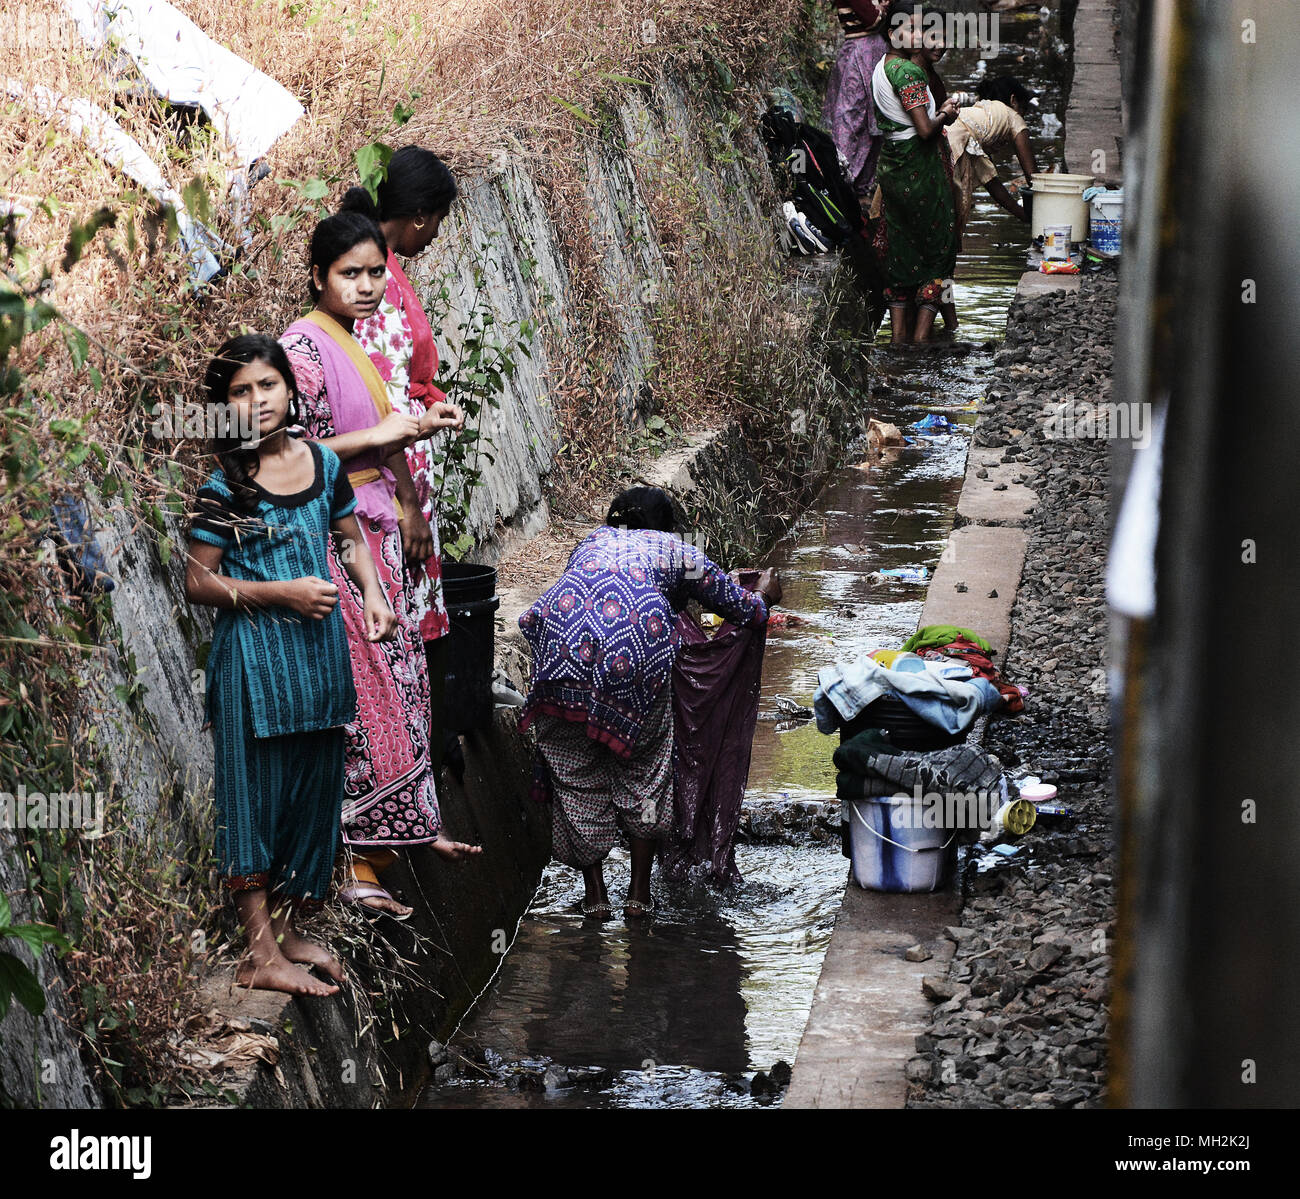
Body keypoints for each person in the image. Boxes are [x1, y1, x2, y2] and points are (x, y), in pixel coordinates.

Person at [281, 206, 481, 920]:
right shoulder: (301, 350)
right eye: (350, 274)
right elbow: (285, 454)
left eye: (374, 273)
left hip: (373, 538)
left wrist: (410, 436)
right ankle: (354, 861)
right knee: (367, 702)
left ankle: (387, 849)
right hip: (337, 540)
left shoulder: (352, 339)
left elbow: (372, 432)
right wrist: (383, 435)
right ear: (318, 277)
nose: (367, 286)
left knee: (398, 691)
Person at [186, 334, 399, 995]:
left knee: (311, 794)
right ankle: (258, 952)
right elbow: (198, 582)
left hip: (318, 661)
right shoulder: (224, 488)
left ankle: (287, 929)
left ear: (289, 388)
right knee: (253, 799)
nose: (258, 401)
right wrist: (279, 593)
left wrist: (373, 589)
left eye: (267, 385)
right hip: (254, 664)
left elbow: (350, 535)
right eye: (241, 392)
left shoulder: (322, 465)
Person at [518, 488, 781, 920]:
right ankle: (639, 898)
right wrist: (765, 594)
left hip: (560, 656)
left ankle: (596, 897)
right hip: (632, 662)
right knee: (645, 772)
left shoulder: (592, 541)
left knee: (577, 773)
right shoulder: (676, 549)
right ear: (666, 526)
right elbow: (742, 609)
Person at [350, 147, 465, 781]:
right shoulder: (382, 285)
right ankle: (401, 765)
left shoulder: (381, 269)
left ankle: (410, 760)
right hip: (391, 479)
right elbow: (382, 401)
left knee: (405, 612)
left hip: (400, 465)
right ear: (421, 217)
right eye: (440, 220)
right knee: (396, 617)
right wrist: (409, 503)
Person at [869, 6, 960, 344]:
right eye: (912, 30)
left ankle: (896, 341)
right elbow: (924, 130)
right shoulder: (908, 72)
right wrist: (946, 114)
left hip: (893, 165)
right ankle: (922, 339)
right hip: (919, 168)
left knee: (902, 248)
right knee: (939, 249)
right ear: (894, 34)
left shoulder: (881, 68)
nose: (920, 37)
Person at [947, 77, 1039, 233]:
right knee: (950, 219)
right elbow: (1035, 179)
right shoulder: (1014, 118)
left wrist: (1023, 215)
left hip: (941, 139)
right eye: (1024, 109)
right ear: (1013, 100)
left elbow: (992, 183)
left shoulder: (982, 114)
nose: (1023, 116)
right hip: (953, 147)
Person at [821, 2, 893, 200]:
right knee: (852, 118)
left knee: (866, 120)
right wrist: (883, 9)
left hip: (866, 52)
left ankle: (855, 186)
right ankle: (841, 181)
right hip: (862, 52)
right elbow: (873, 19)